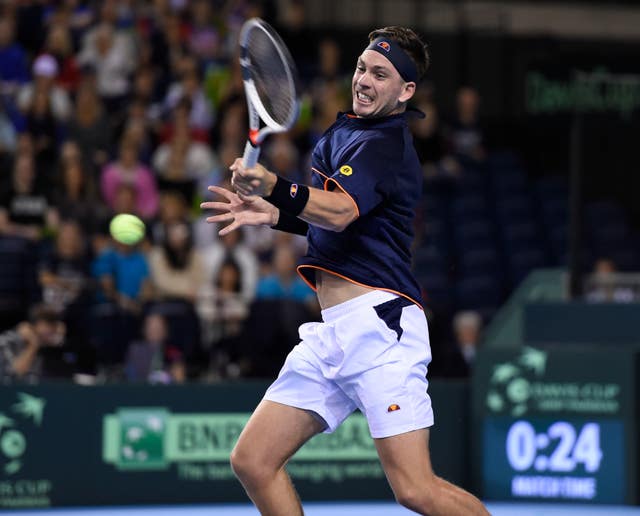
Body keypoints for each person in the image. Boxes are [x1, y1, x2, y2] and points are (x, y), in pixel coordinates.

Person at [201, 26, 489, 516]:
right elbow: (335, 219)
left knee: (415, 490)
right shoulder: (347, 132)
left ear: (406, 91)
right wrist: (275, 214)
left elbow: (339, 212)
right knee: (253, 460)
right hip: (332, 335)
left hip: (380, 329)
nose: (364, 80)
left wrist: (273, 186)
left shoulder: (386, 143)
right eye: (361, 68)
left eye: (380, 74)